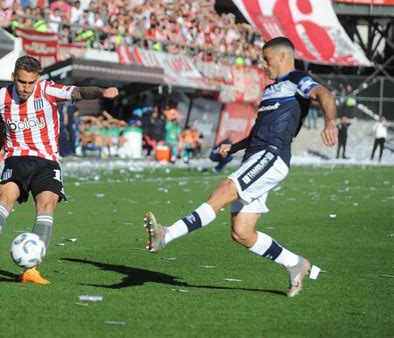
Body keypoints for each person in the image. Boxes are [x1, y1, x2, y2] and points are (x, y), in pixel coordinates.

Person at [144, 37, 338, 297]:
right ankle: (295, 263)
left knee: (223, 191)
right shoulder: (271, 90)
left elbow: (324, 94)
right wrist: (234, 147)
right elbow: (259, 131)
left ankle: (166, 234)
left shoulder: (297, 80)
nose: (263, 64)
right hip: (256, 157)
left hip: (272, 156)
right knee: (242, 232)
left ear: (282, 57)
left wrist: (330, 123)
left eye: (266, 59)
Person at [0, 55, 118, 284]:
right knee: (4, 198)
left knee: (47, 205)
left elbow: (78, 91)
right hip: (16, 159)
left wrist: (101, 92)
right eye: (22, 82)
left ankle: (31, 269)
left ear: (37, 79)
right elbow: (1, 128)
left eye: (31, 83)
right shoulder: (0, 97)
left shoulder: (47, 90)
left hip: (47, 161)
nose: (26, 88)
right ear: (13, 77)